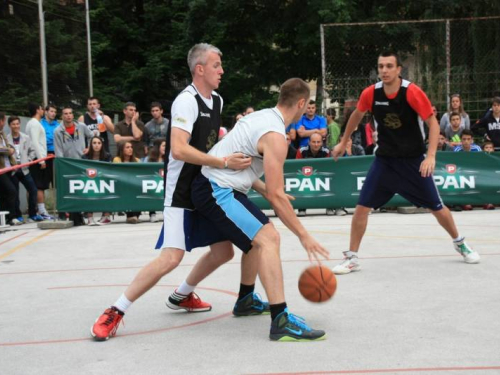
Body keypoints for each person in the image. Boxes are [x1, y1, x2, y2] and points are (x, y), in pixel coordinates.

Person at [90, 43, 252, 341]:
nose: (222, 70)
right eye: (217, 65)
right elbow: (178, 149)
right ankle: (115, 310)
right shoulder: (186, 102)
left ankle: (182, 295)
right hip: (181, 192)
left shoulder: (216, 100)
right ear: (199, 69)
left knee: (223, 251)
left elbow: (211, 143)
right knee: (171, 258)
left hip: (206, 188)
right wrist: (222, 161)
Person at [181, 78, 328, 341]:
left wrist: (260, 188)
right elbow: (276, 195)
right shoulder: (276, 136)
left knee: (255, 240)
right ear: (301, 103)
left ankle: (246, 300)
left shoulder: (262, 117)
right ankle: (280, 320)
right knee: (269, 238)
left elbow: (248, 165)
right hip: (216, 189)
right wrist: (304, 235)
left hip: (217, 186)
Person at [331, 51, 480, 275]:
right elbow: (356, 115)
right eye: (381, 66)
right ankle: (352, 258)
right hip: (385, 162)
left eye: (389, 66)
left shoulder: (412, 92)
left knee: (437, 208)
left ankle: (460, 243)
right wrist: (343, 142)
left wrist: (430, 156)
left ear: (399, 69)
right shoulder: (371, 93)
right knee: (361, 208)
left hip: (413, 161)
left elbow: (433, 123)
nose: (384, 70)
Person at [7, 116, 42, 223]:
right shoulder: (6, 139)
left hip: (24, 169)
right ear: (9, 126)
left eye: (17, 124)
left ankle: (33, 214)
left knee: (33, 190)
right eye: (13, 124)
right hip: (13, 170)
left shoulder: (25, 137)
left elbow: (32, 151)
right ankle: (18, 215)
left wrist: (28, 160)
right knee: (15, 193)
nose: (16, 126)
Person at [26, 103, 53, 220]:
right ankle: (41, 211)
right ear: (38, 110)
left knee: (35, 187)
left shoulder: (32, 124)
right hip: (37, 158)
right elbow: (35, 143)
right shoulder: (34, 124)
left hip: (37, 157)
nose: (43, 111)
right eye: (42, 109)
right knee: (39, 186)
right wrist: (41, 159)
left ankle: (35, 210)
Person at [295, 132, 331, 216]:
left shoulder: (326, 151)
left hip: (322, 176)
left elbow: (329, 168)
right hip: (305, 176)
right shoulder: (301, 151)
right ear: (309, 142)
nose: (316, 144)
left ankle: (330, 207)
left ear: (322, 143)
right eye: (314, 142)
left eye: (318, 142)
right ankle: (302, 208)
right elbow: (296, 166)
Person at [82, 136, 112, 225]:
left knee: (109, 189)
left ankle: (106, 216)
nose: (96, 145)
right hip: (90, 181)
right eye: (94, 143)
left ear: (102, 145)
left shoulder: (107, 156)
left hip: (104, 181)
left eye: (99, 143)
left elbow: (109, 170)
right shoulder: (85, 157)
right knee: (88, 190)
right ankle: (90, 217)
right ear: (90, 145)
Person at [113, 141, 141, 224]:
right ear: (122, 149)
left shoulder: (137, 160)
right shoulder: (117, 159)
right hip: (122, 185)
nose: (130, 149)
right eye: (127, 147)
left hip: (135, 185)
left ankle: (135, 216)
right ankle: (131, 216)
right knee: (128, 192)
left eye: (131, 147)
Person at [0, 112, 19, 225]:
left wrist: (9, 148)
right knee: (11, 191)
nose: (4, 123)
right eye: (3, 121)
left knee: (4, 193)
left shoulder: (2, 133)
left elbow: (8, 145)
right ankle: (11, 217)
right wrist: (9, 150)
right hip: (1, 169)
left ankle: (5, 217)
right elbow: (3, 149)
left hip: (8, 168)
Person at [143, 138, 166, 223]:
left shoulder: (169, 158)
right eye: (164, 146)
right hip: (152, 182)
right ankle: (152, 213)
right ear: (157, 147)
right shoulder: (148, 159)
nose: (166, 148)